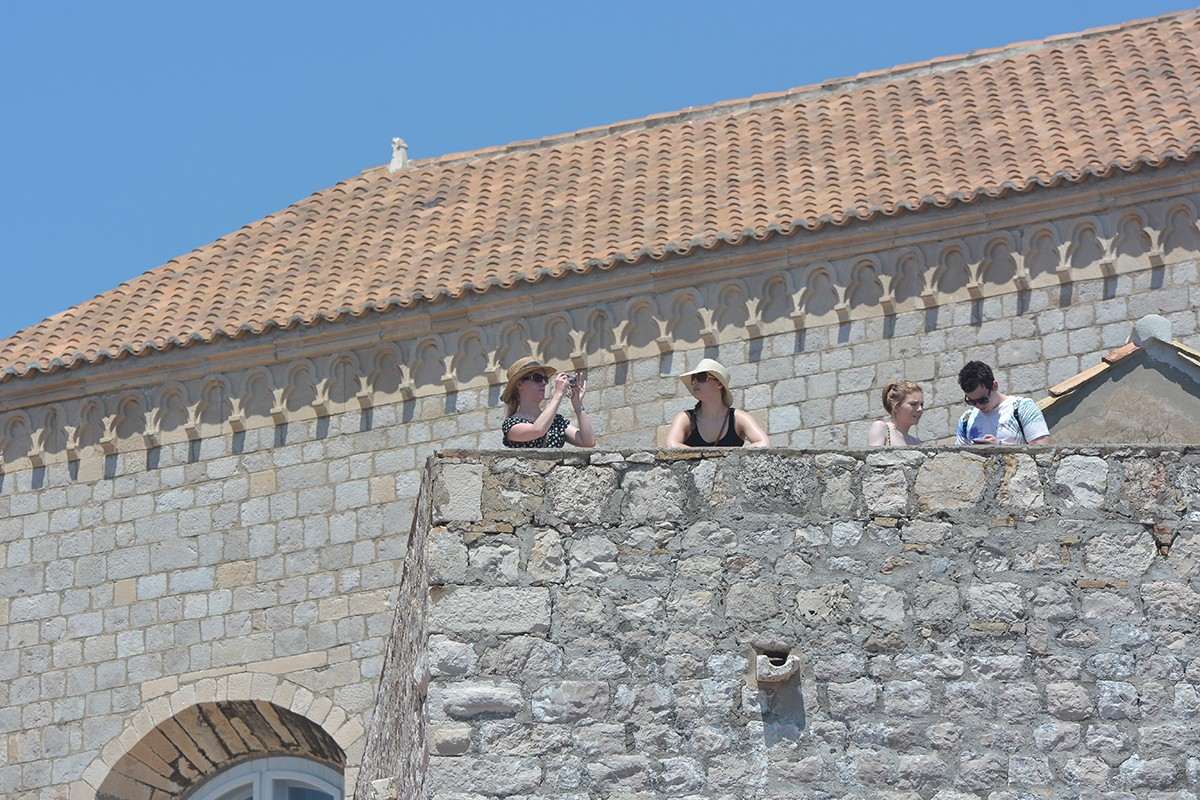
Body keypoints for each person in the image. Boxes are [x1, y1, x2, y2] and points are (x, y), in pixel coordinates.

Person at [665, 358, 769, 448]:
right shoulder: (685, 418)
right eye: (693, 378)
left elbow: (763, 443)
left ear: (719, 384)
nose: (695, 382)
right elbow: (672, 445)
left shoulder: (739, 418)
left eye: (701, 377)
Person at [500, 356, 595, 448]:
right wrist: (558, 394)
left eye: (545, 379)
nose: (544, 383)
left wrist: (578, 405)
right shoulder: (511, 423)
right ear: (520, 384)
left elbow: (588, 442)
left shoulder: (556, 420)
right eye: (537, 378)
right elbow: (537, 430)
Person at [955, 360, 1049, 445]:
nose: (978, 405)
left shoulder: (1022, 408)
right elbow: (958, 456)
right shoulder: (966, 420)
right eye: (971, 401)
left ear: (994, 386)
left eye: (982, 400)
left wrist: (1000, 447)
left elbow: (1041, 450)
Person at [867, 380, 924, 446]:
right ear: (896, 407)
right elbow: (875, 452)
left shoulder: (917, 443)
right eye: (913, 404)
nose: (920, 409)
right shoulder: (882, 428)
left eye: (921, 404)